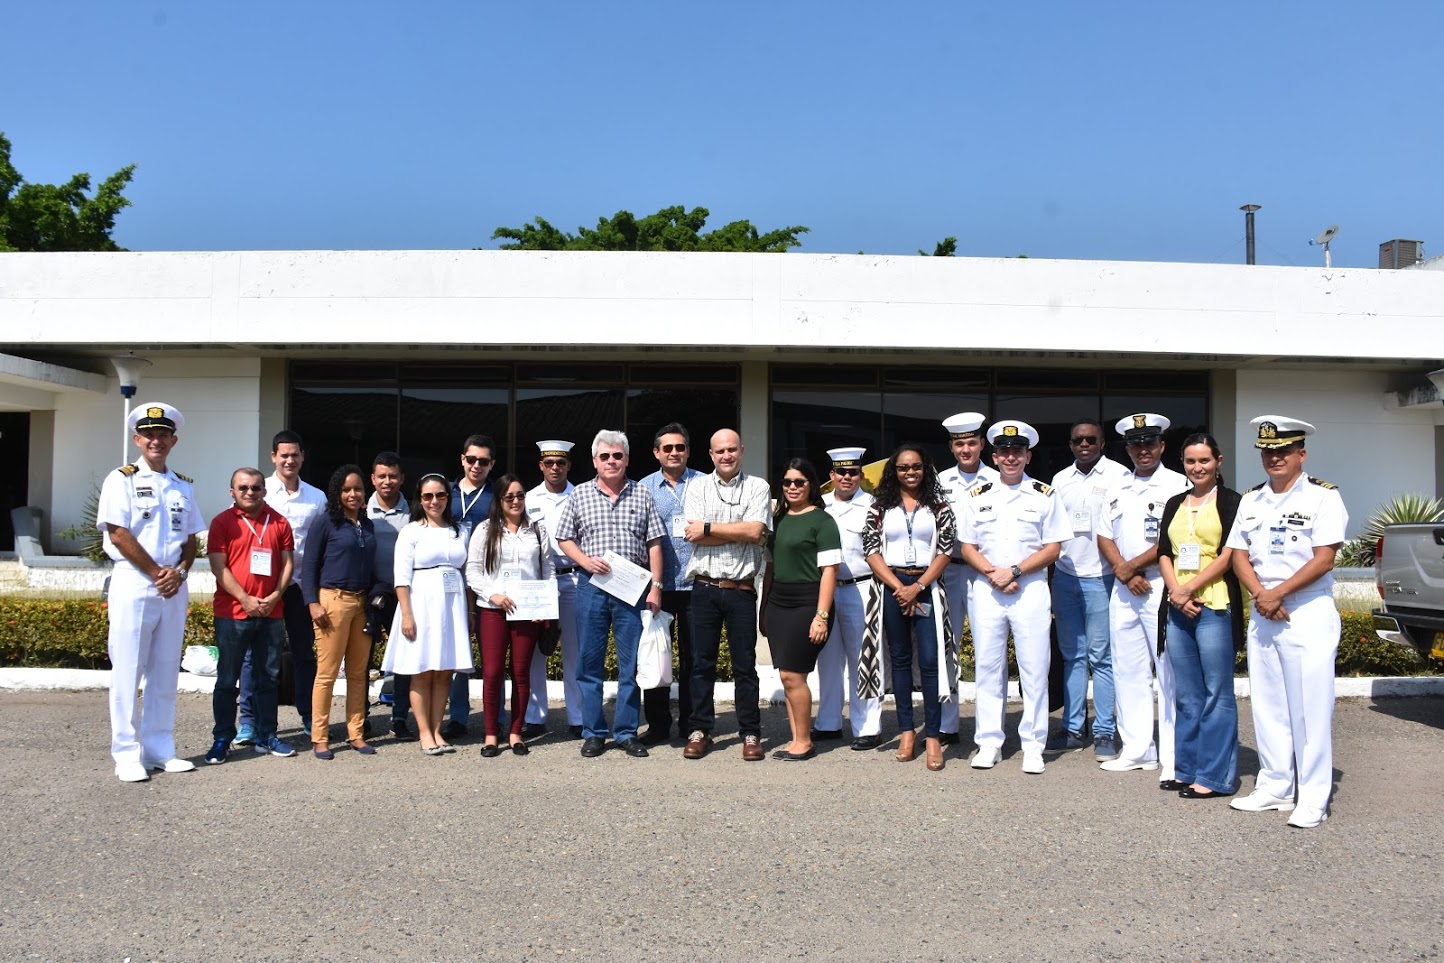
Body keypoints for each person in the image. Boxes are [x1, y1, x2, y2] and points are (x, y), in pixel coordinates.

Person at [1226, 416, 1347, 829]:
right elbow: (1238, 554)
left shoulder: (1323, 497)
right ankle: (1275, 785)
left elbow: (1324, 558)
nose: (1274, 458)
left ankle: (1313, 796)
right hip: (1264, 609)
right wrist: (1263, 594)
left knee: (1309, 709)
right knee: (1269, 704)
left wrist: (1278, 593)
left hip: (1306, 609)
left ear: (1301, 454)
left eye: (1283, 451)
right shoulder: (1252, 499)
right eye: (1268, 451)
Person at [97, 402, 206, 782]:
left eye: (163, 434)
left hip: (173, 585)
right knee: (128, 669)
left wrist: (178, 571)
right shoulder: (121, 479)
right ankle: (127, 754)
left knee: (164, 670)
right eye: (149, 434)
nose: (156, 441)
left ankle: (160, 748)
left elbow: (191, 539)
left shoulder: (183, 485)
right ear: (137, 439)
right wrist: (156, 571)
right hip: (135, 581)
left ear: (173, 440)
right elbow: (117, 532)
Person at [959, 421, 1071, 775]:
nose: (1011, 457)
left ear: (1028, 456)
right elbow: (967, 546)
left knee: (1035, 669)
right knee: (989, 668)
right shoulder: (977, 496)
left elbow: (1053, 546)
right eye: (1004, 452)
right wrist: (995, 573)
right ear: (994, 456)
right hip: (988, 588)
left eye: (1017, 452)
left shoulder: (1045, 494)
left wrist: (1016, 571)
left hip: (1030, 589)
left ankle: (1033, 745)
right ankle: (989, 742)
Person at [554, 430, 665, 759]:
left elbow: (654, 543)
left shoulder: (642, 494)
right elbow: (563, 538)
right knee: (589, 663)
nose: (612, 461)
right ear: (594, 461)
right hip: (592, 587)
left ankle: (627, 732)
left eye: (617, 455)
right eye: (605, 456)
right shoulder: (580, 495)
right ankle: (593, 733)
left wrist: (656, 586)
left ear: (627, 458)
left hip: (633, 589)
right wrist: (584, 560)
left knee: (630, 665)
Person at [1097, 413, 1189, 781]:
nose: (1142, 450)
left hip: (1161, 586)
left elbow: (1175, 536)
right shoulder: (1118, 487)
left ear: (1162, 446)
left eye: (1149, 443)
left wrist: (1131, 567)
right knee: (1128, 670)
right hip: (1124, 589)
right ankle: (1137, 750)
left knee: (1168, 673)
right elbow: (1104, 534)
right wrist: (1123, 569)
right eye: (1135, 444)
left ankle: (1173, 756)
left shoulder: (1178, 484)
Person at [1157, 434, 1244, 798]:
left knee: (1217, 692)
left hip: (1214, 603)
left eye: (1204, 461)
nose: (1198, 468)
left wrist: (1190, 590)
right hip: (1178, 606)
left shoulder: (1232, 501)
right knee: (1187, 695)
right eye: (1191, 461)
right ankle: (1186, 768)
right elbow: (1164, 551)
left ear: (1218, 461)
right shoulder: (1175, 502)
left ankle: (1214, 777)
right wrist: (1177, 592)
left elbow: (1230, 553)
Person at [860, 444, 957, 772]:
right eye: (903, 468)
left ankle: (931, 736)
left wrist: (917, 587)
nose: (910, 472)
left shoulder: (939, 506)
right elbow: (871, 550)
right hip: (893, 587)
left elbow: (945, 550)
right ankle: (905, 733)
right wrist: (900, 588)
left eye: (916, 467)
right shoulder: (879, 506)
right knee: (900, 661)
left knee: (929, 662)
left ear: (925, 469)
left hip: (927, 588)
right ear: (894, 471)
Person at [681, 428, 772, 762]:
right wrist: (733, 532)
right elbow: (693, 534)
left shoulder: (758, 486)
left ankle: (750, 732)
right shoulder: (697, 487)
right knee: (701, 665)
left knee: (744, 666)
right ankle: (700, 730)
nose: (726, 456)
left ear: (742, 450)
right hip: (704, 588)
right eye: (720, 451)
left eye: (732, 450)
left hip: (742, 590)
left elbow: (755, 531)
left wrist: (709, 528)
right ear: (710, 454)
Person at [235, 429, 325, 745]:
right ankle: (248, 721)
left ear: (303, 457)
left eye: (295, 454)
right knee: (254, 657)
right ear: (273, 456)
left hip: (300, 587)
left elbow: (321, 545)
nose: (289, 460)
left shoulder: (317, 498)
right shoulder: (259, 492)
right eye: (283, 455)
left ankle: (309, 716)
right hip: (263, 588)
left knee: (303, 654)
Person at [1048, 418, 1130, 760]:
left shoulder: (1120, 476)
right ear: (1070, 444)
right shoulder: (1059, 480)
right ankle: (1073, 726)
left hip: (1103, 576)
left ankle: (1105, 731)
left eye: (1090, 439)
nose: (1084, 444)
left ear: (1102, 443)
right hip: (1067, 576)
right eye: (1078, 440)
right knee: (1073, 656)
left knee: (1102, 658)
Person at [205, 467, 297, 765]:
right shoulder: (222, 523)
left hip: (271, 612)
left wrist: (275, 596)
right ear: (232, 491)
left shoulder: (279, 522)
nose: (250, 492)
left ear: (264, 491)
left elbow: (287, 564)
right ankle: (222, 738)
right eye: (243, 488)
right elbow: (219, 567)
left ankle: (267, 735)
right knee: (228, 678)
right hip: (233, 612)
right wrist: (244, 599)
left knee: (268, 677)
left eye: (256, 488)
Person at [467, 474, 554, 756]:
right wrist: (494, 594)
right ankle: (491, 734)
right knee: (492, 673)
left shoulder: (537, 530)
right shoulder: (484, 530)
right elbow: (473, 571)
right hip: (493, 609)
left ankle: (516, 732)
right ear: (499, 501)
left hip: (527, 612)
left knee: (521, 673)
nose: (516, 501)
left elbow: (548, 570)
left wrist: (545, 608)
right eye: (509, 497)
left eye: (519, 495)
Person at [387, 474, 474, 756]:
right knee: (423, 670)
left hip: (452, 606)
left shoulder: (459, 530)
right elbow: (401, 577)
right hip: (420, 603)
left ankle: (438, 730)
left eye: (440, 495)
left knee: (444, 671)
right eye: (428, 496)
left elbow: (466, 573)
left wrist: (470, 611)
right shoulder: (411, 531)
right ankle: (424, 732)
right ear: (419, 499)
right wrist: (407, 615)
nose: (434, 501)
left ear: (447, 498)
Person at [761, 459, 841, 761]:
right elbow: (770, 568)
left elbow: (830, 572)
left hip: (808, 603)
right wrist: (763, 609)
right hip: (778, 602)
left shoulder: (823, 521)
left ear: (811, 485)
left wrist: (821, 616)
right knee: (786, 676)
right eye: (787, 482)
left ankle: (804, 742)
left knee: (795, 676)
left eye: (799, 482)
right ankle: (796, 738)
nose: (792, 487)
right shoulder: (778, 519)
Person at [302, 464, 378, 759]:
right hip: (331, 601)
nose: (353, 494)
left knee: (359, 673)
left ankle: (356, 733)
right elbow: (309, 566)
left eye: (358, 489)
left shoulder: (367, 525)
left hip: (361, 603)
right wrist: (312, 602)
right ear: (337, 492)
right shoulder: (325, 523)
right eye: (347, 489)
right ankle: (320, 738)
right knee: (327, 674)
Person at [935, 411, 998, 745]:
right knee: (949, 647)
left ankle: (990, 728)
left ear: (982, 444)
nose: (966, 450)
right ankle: (948, 725)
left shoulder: (999, 478)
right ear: (952, 446)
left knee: (988, 649)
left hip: (985, 572)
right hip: (948, 571)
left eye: (972, 443)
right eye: (960, 444)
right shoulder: (940, 481)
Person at [640, 424, 704, 744]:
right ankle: (657, 725)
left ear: (688, 451)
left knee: (693, 659)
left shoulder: (706, 484)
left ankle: (693, 724)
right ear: (656, 453)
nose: (674, 453)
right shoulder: (643, 488)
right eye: (667, 448)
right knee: (657, 656)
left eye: (680, 447)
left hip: (697, 584)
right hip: (658, 586)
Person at [819, 446, 883, 751]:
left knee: (864, 659)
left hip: (863, 587)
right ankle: (829, 722)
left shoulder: (874, 506)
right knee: (828, 660)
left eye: (853, 472)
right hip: (828, 589)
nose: (847, 478)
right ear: (832, 475)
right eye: (841, 472)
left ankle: (868, 727)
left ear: (860, 474)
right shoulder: (820, 505)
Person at [523, 440, 581, 739]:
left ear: (569, 465)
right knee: (537, 651)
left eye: (561, 463)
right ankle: (535, 716)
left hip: (572, 579)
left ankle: (578, 717)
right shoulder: (528, 498)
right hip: (539, 581)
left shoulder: (582, 494)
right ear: (541, 466)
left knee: (574, 650)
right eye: (549, 463)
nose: (555, 468)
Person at [442, 432, 497, 740]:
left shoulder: (496, 495)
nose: (477, 466)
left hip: (488, 579)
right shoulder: (444, 492)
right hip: (450, 581)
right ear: (462, 459)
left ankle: (496, 717)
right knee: (456, 652)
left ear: (492, 464)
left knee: (491, 655)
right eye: (471, 459)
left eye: (483, 461)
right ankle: (459, 717)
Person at [365, 452, 416, 742]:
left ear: (401, 478)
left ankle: (399, 718)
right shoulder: (361, 508)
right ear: (373, 478)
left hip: (402, 592)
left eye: (393, 476)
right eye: (381, 476)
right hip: (368, 592)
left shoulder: (413, 512)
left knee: (403, 660)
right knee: (362, 657)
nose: (387, 481)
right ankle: (361, 716)